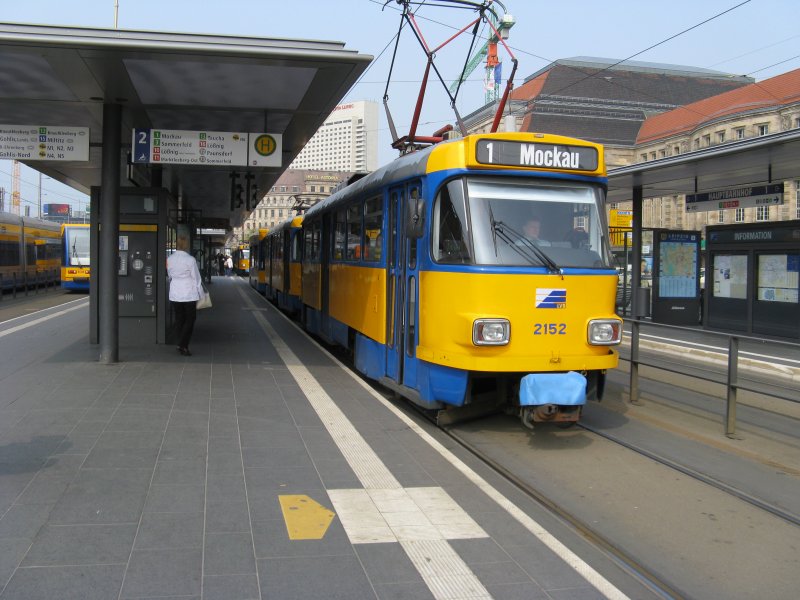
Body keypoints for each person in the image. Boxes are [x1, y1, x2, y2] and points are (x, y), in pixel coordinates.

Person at [167, 235, 204, 356]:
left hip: (175, 293)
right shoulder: (190, 260)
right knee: (191, 319)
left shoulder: (169, 259)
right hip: (189, 293)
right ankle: (183, 344)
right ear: (186, 245)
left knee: (179, 319)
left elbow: (170, 275)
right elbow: (196, 279)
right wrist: (201, 294)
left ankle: (181, 343)